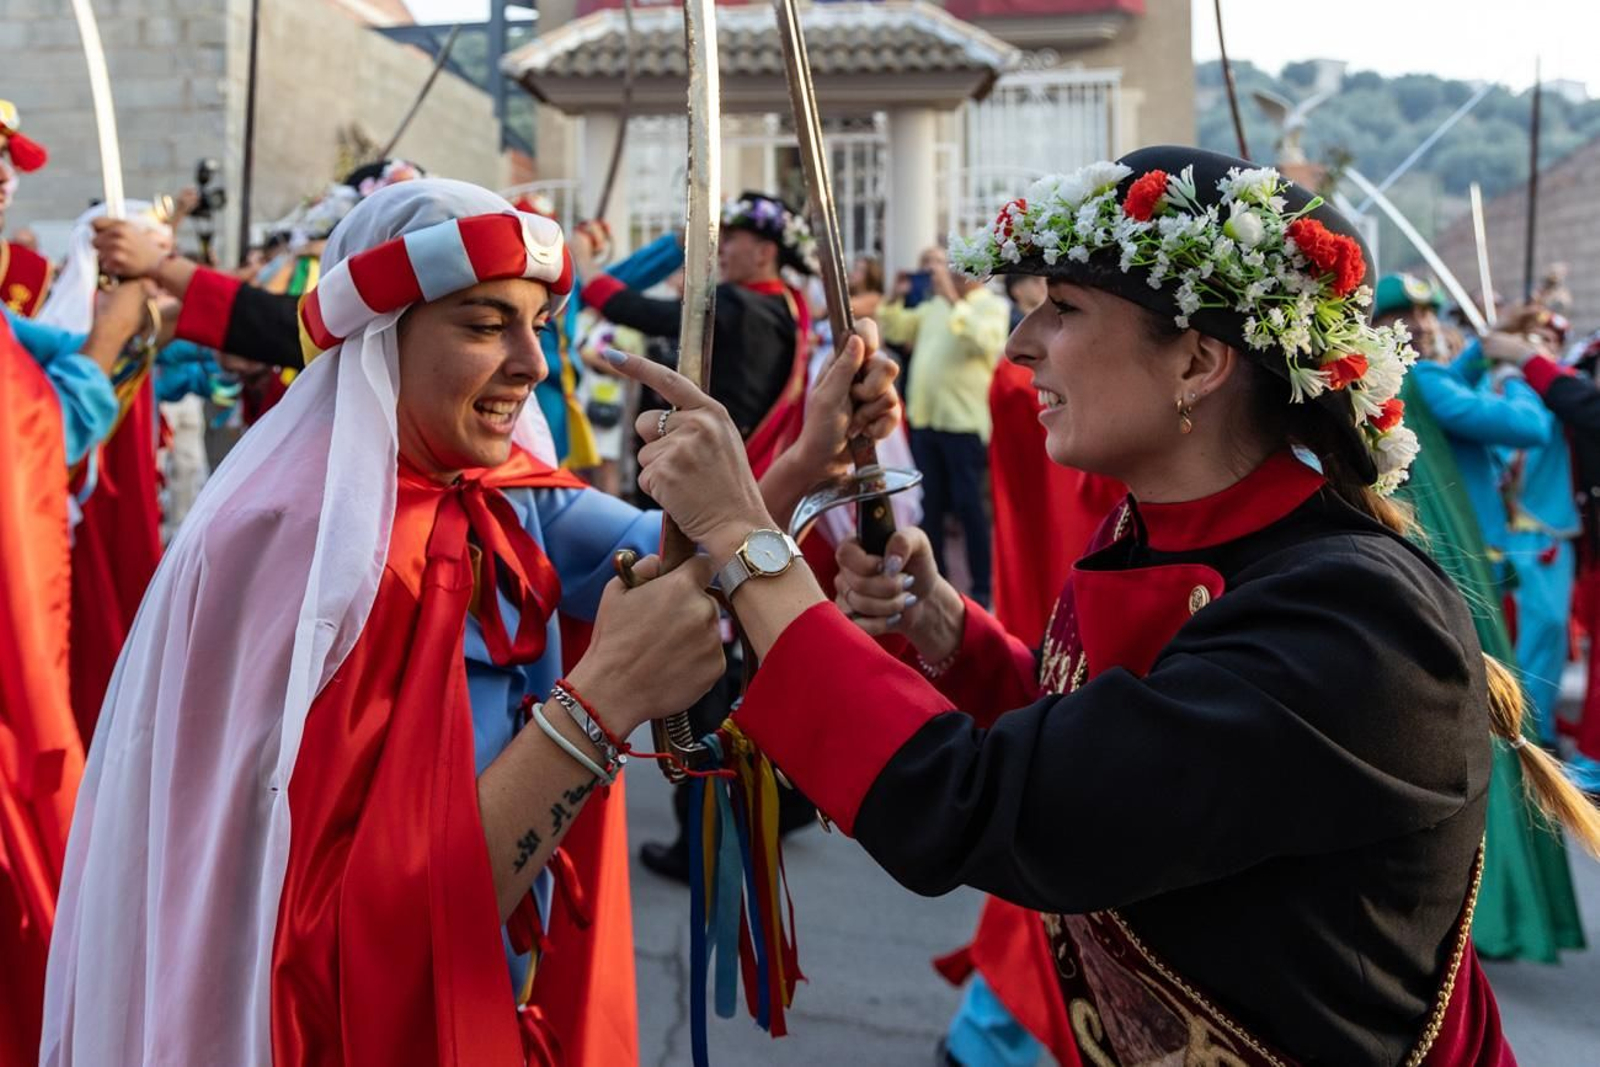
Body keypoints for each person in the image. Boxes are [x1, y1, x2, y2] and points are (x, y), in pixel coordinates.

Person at [604, 146, 1600, 1065]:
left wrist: (751, 540)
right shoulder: (1160, 533)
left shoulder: (1351, 619)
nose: (1023, 345)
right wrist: (946, 631)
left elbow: (985, 803)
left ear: (1199, 362)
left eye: (1064, 309)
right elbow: (1092, 731)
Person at [41, 179, 901, 1065]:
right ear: (383, 337)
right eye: (487, 325)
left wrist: (808, 457)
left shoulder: (505, 494)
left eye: (537, 324)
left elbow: (676, 548)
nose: (532, 362)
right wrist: (600, 698)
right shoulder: (300, 548)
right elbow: (349, 922)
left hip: (487, 984)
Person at [1374, 275, 1585, 965]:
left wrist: (1494, 349)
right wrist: (1516, 363)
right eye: (1411, 314)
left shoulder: (1409, 382)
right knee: (1488, 740)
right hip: (1469, 578)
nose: (1427, 323)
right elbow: (1528, 423)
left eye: (1433, 311)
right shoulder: (1425, 381)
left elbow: (1443, 383)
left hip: (1461, 573)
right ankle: (1491, 909)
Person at [878, 245, 1011, 606]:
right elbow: (895, 328)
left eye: (957, 269)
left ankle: (983, 589)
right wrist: (896, 295)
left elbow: (986, 343)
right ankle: (934, 584)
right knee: (930, 505)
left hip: (963, 423)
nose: (949, 275)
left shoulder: (991, 307)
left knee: (970, 509)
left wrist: (953, 299)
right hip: (925, 421)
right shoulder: (933, 305)